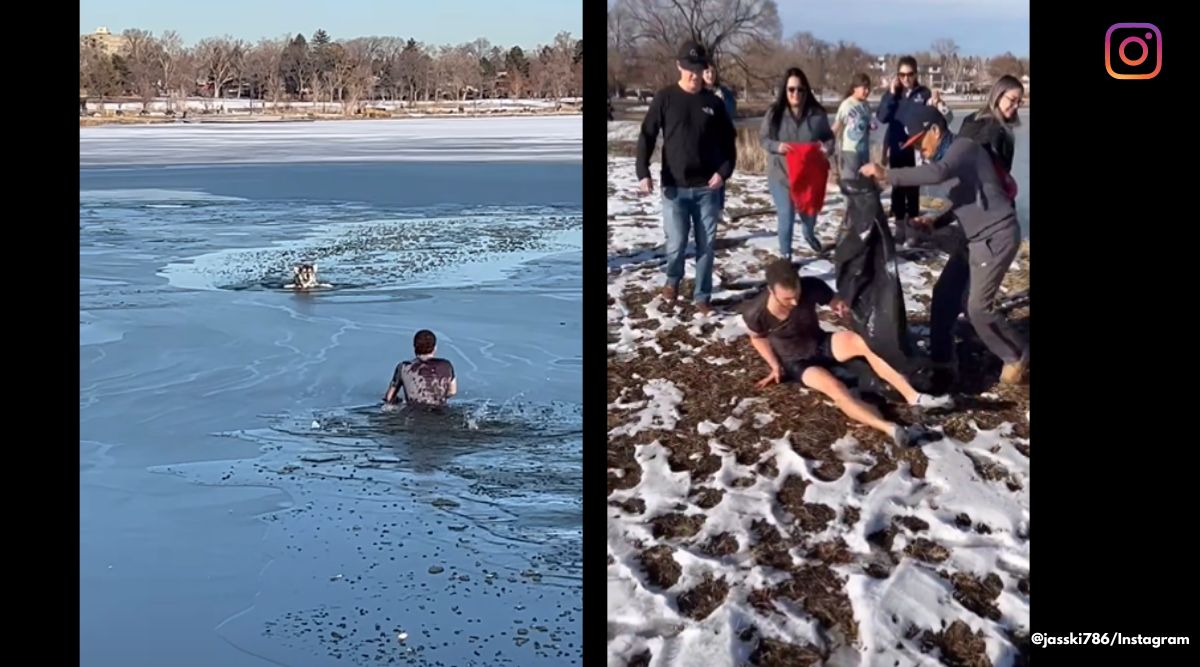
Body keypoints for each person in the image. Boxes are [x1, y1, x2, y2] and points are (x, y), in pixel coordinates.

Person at [860, 105, 1028, 384]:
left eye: (919, 143)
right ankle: (942, 362)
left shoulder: (963, 148)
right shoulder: (949, 157)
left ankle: (1017, 355)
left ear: (935, 131)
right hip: (974, 238)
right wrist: (935, 223)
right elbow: (963, 201)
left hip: (997, 236)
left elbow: (938, 173)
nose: (918, 151)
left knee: (977, 308)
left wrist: (887, 174)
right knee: (944, 296)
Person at [744, 259, 953, 447]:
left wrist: (838, 305)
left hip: (820, 342)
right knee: (836, 389)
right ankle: (891, 429)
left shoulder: (811, 286)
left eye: (797, 295)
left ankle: (913, 397)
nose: (795, 302)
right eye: (787, 299)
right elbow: (757, 337)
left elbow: (833, 299)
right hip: (797, 361)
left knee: (862, 342)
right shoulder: (756, 313)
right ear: (771, 291)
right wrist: (774, 365)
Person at [636, 41, 737, 314]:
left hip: (707, 188)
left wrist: (723, 172)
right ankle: (673, 279)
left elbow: (730, 145)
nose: (694, 75)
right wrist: (643, 171)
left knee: (707, 245)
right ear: (679, 66)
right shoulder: (665, 98)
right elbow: (647, 134)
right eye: (689, 69)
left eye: (699, 69)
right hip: (674, 188)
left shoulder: (713, 104)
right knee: (677, 242)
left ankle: (702, 295)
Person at [875, 56, 952, 244]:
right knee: (898, 188)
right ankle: (899, 226)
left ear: (916, 74)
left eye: (910, 74)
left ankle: (912, 228)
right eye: (902, 75)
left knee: (912, 190)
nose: (906, 79)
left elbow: (943, 118)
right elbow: (882, 117)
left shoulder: (923, 93)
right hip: (897, 147)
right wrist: (891, 94)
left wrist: (938, 103)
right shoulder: (894, 94)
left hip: (918, 149)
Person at [759, 67, 834, 257]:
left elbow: (829, 137)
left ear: (806, 91)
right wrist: (777, 146)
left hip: (809, 177)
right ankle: (786, 256)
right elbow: (763, 139)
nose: (796, 94)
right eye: (791, 89)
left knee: (809, 215)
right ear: (784, 90)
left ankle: (808, 232)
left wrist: (827, 149)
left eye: (800, 89)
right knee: (786, 215)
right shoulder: (774, 113)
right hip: (781, 175)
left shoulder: (817, 115)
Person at [958, 75, 1024, 199]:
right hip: (987, 200)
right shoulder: (994, 128)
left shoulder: (974, 118)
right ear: (998, 95)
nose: (1016, 106)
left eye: (1019, 102)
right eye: (1013, 100)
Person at [382, 329, 457, 408]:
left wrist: (399, 401)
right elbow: (452, 391)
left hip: (414, 414)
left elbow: (389, 397)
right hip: (440, 413)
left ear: (414, 348)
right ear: (435, 348)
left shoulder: (403, 367)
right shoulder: (446, 365)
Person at [703, 63, 737, 213]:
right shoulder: (698, 91)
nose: (710, 75)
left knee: (721, 172)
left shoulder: (723, 92)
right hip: (705, 139)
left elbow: (731, 112)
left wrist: (723, 102)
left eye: (713, 72)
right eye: (707, 72)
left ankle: (719, 208)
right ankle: (706, 207)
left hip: (722, 139)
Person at [833, 73, 875, 182]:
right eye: (864, 88)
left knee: (864, 181)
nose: (867, 91)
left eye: (868, 88)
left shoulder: (866, 105)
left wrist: (871, 125)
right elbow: (836, 125)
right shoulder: (847, 104)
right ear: (855, 88)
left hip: (864, 150)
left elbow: (867, 122)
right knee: (850, 181)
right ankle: (849, 199)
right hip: (850, 150)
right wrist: (827, 141)